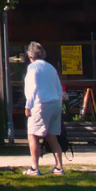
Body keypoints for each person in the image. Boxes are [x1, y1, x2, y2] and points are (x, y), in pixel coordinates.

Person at [21, 41, 66, 177]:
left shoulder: (33, 68)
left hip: (41, 104)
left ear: (30, 55)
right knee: (52, 136)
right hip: (55, 103)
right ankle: (59, 167)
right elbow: (59, 87)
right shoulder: (51, 67)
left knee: (33, 135)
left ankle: (35, 168)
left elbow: (32, 88)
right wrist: (59, 103)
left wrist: (28, 106)